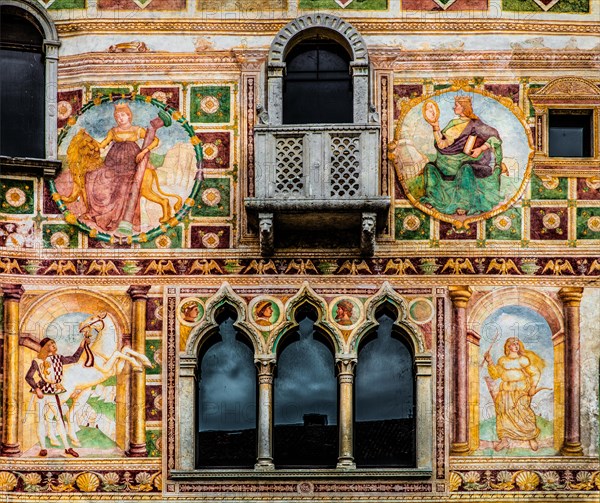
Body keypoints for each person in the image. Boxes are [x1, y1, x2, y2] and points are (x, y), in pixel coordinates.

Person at [421, 95, 504, 216]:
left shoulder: (475, 124)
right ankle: (434, 199)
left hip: (463, 161)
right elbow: (442, 144)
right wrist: (435, 125)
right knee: (429, 168)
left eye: (457, 105)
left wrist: (481, 148)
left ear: (464, 108)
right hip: (445, 162)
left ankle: (463, 203)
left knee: (465, 170)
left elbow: (494, 136)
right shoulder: (453, 123)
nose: (454, 107)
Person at [83, 103, 159, 232]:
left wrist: (144, 151)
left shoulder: (137, 129)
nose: (120, 118)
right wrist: (89, 140)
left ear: (129, 116)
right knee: (96, 178)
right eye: (117, 116)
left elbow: (155, 140)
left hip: (131, 163)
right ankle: (95, 212)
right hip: (113, 163)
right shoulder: (114, 131)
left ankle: (118, 219)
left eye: (122, 115)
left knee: (124, 188)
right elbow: (102, 145)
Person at [25, 337, 86, 457]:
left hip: (53, 392)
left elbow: (74, 358)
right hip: (41, 393)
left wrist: (82, 345)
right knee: (40, 420)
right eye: (51, 344)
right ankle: (43, 448)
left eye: (54, 343)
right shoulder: (37, 361)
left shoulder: (59, 358)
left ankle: (67, 448)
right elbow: (29, 377)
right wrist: (37, 389)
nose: (54, 345)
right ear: (45, 347)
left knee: (59, 419)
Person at [483, 337, 545, 451]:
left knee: (524, 413)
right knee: (504, 414)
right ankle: (504, 440)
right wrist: (490, 361)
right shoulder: (502, 361)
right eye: (513, 344)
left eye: (517, 344)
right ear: (508, 347)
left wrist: (533, 387)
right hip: (506, 391)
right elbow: (495, 375)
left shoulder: (523, 360)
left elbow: (535, 373)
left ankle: (531, 437)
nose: (516, 346)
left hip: (521, 391)